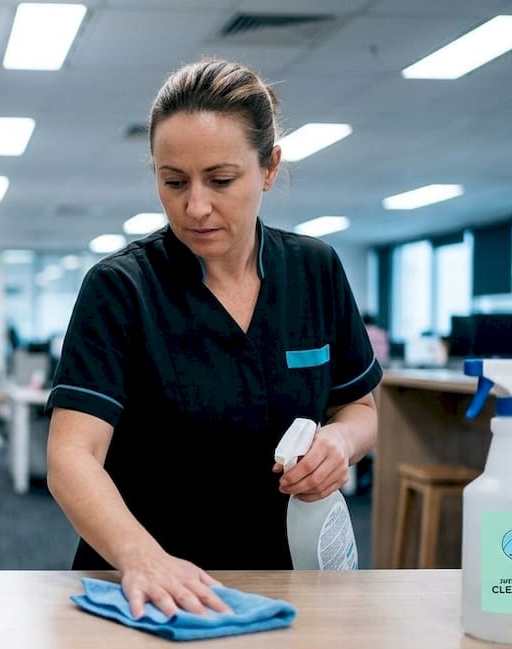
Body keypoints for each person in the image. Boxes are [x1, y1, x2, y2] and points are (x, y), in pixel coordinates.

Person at [44, 58, 382, 619]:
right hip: (147, 585)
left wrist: (340, 445)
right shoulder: (121, 289)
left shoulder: (315, 271)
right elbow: (71, 455)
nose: (195, 206)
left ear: (269, 168)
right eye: (173, 181)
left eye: (221, 180)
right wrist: (142, 558)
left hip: (285, 579)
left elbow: (360, 408)